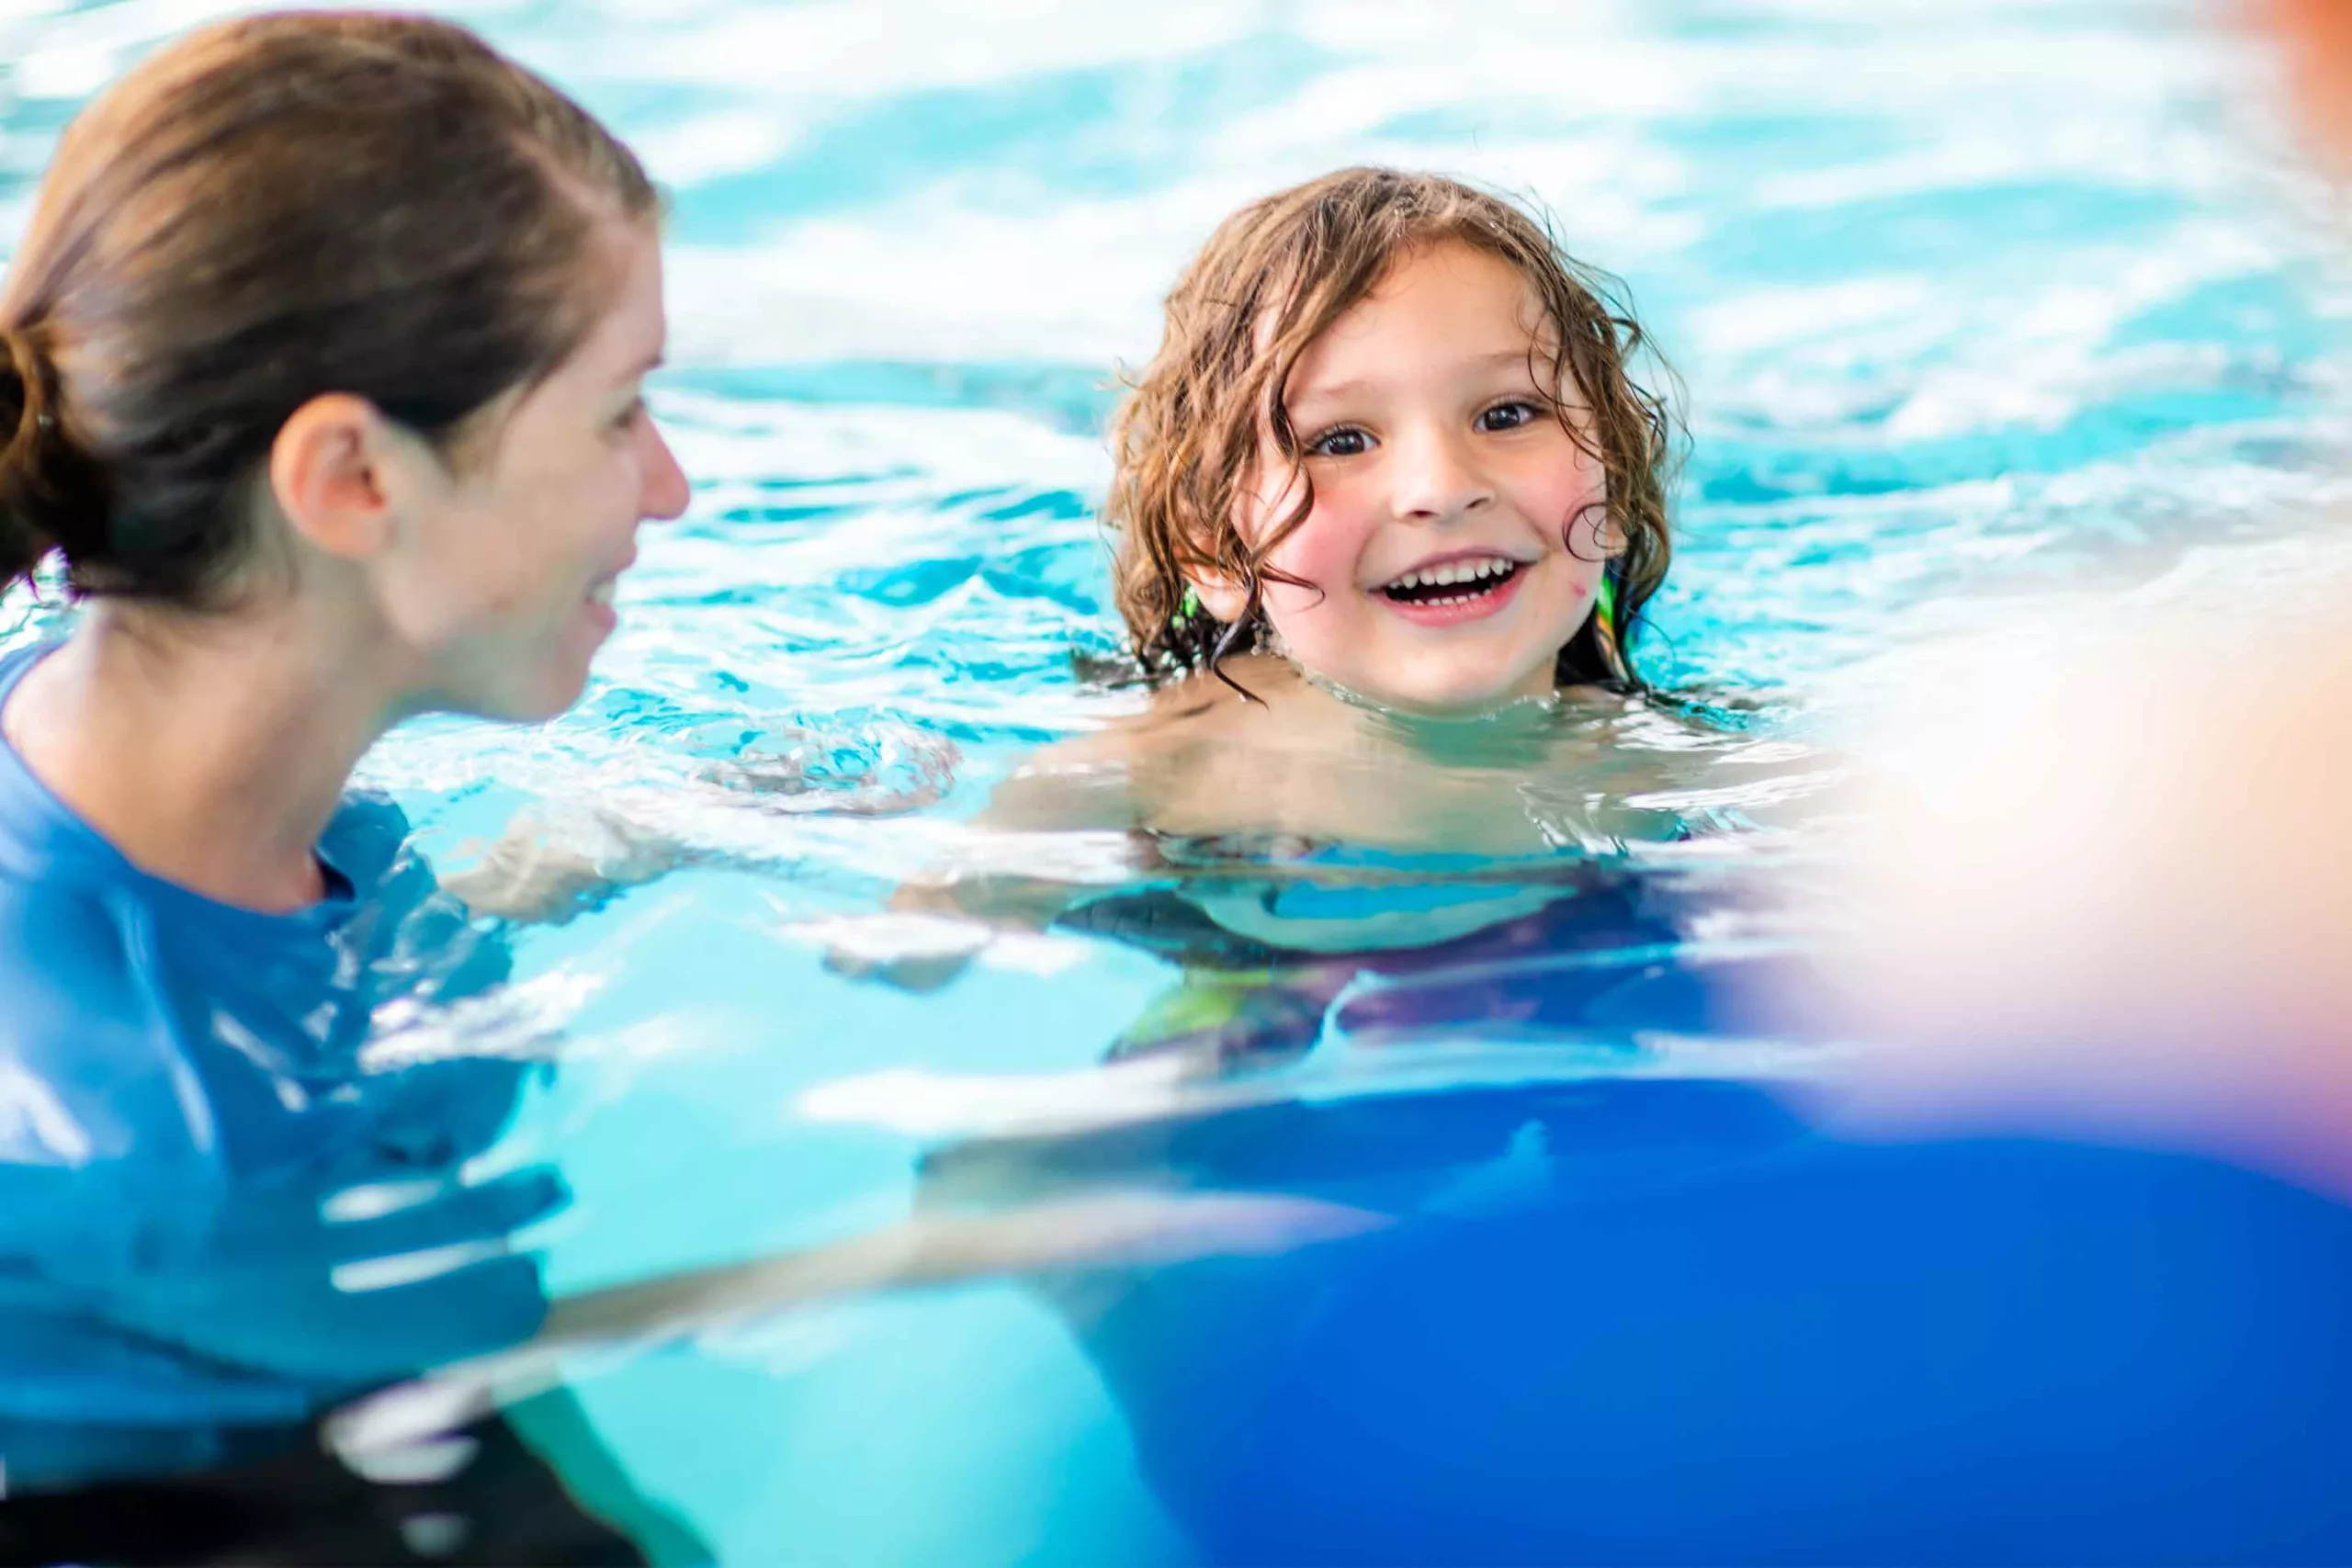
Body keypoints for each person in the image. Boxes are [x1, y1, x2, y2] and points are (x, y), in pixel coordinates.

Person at [0, 12, 695, 1560]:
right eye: (616, 411)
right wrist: (990, 1234)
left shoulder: (77, 704)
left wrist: (608, 838)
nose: (670, 486)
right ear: (353, 481)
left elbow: (275, 950)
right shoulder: (186, 1143)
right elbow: (486, 1357)